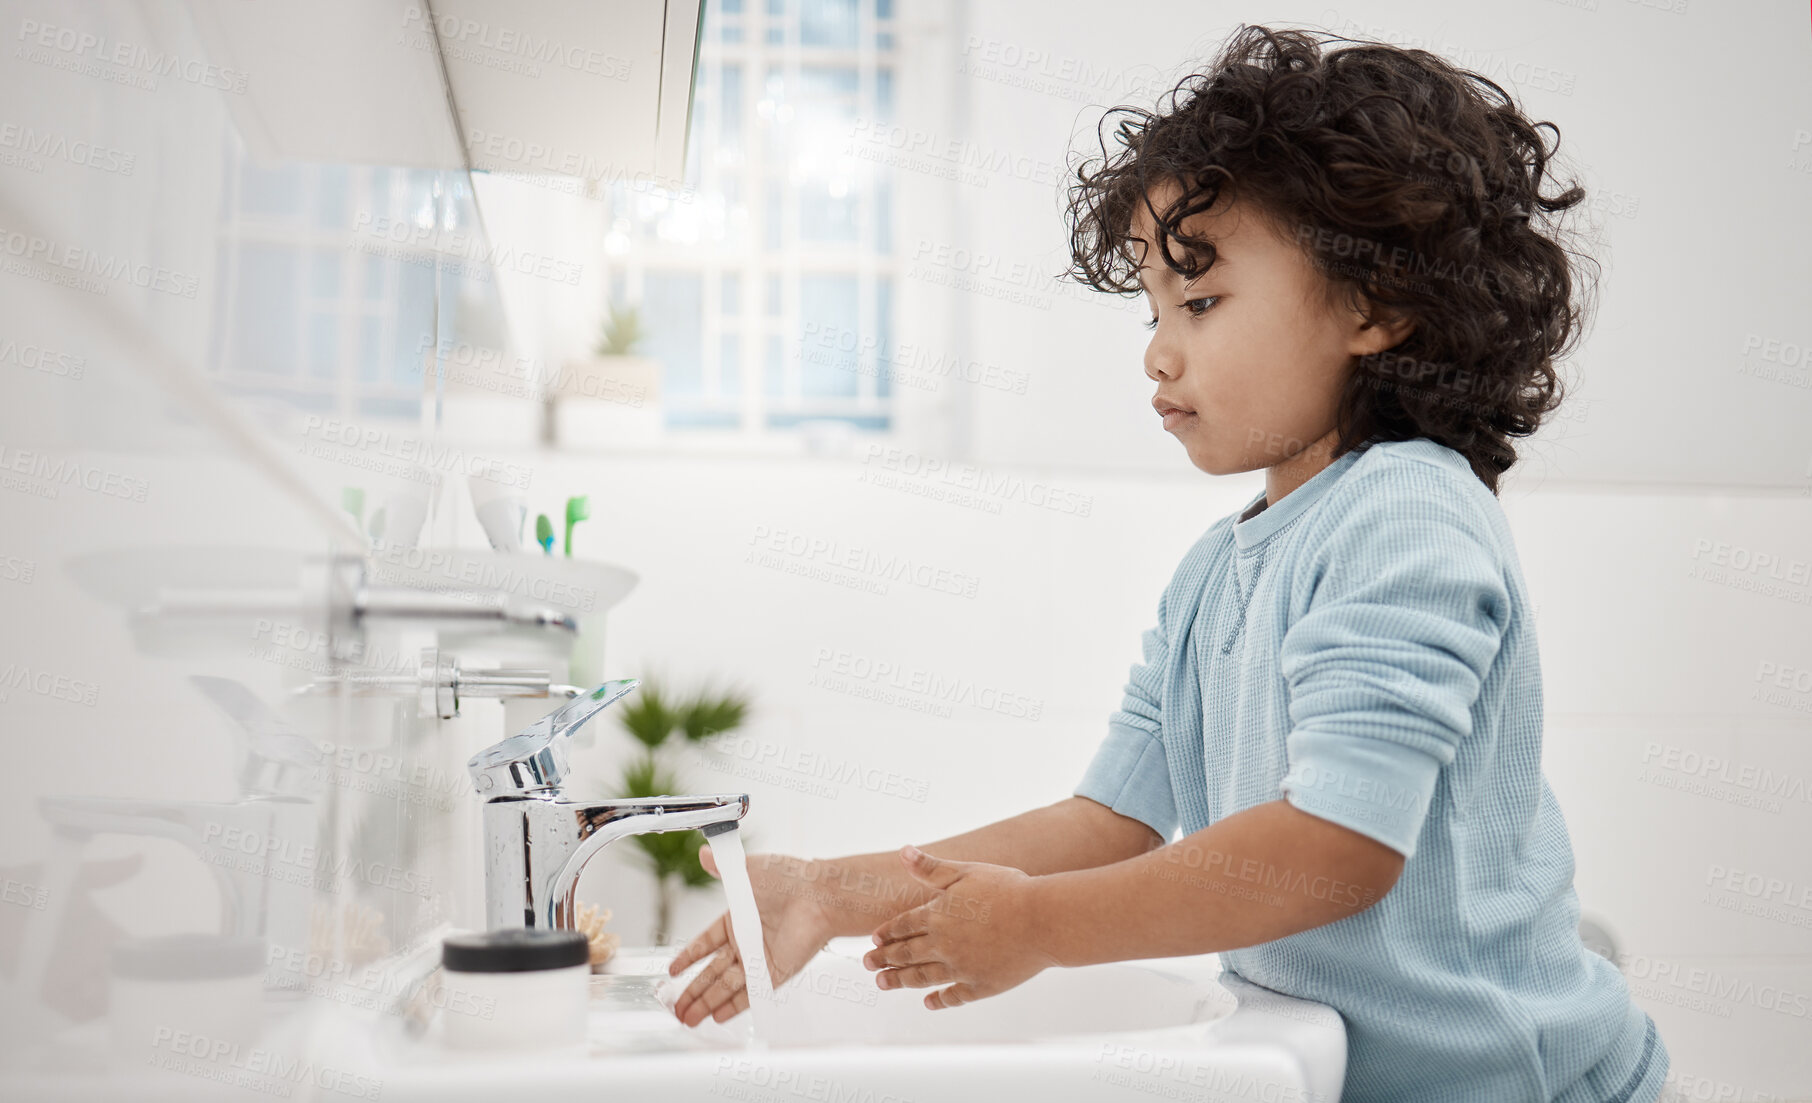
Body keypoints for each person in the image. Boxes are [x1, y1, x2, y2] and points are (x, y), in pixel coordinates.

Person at [668, 24, 1665, 1103]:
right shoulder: (1215, 571)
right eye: (1151, 309)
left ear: (1373, 306)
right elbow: (1111, 819)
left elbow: (1340, 844)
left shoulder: (1405, 512)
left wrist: (1039, 925)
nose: (1157, 347)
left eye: (1200, 301)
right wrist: (826, 889)